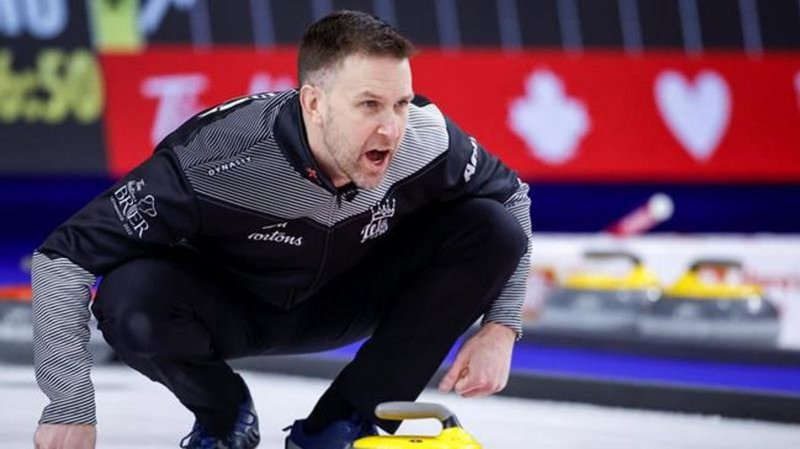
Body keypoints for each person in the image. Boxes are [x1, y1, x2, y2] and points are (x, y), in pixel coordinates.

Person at [31, 10, 532, 449]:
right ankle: (224, 415)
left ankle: (341, 424)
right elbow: (62, 258)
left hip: (349, 296)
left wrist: (501, 327)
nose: (393, 129)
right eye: (369, 105)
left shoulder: (427, 138)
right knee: (128, 298)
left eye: (401, 103)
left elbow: (512, 197)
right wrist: (68, 405)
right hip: (231, 308)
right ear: (313, 103)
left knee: (494, 228)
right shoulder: (215, 158)